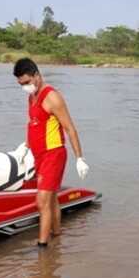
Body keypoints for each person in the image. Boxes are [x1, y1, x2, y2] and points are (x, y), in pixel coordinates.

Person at [13, 58, 89, 246]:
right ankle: (56, 236)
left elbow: (70, 128)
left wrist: (79, 158)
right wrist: (26, 146)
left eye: (27, 82)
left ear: (36, 75)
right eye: (21, 84)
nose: (25, 87)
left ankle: (42, 248)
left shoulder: (52, 97)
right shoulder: (31, 96)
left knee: (42, 201)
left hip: (53, 154)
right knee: (52, 199)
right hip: (38, 154)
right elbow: (33, 123)